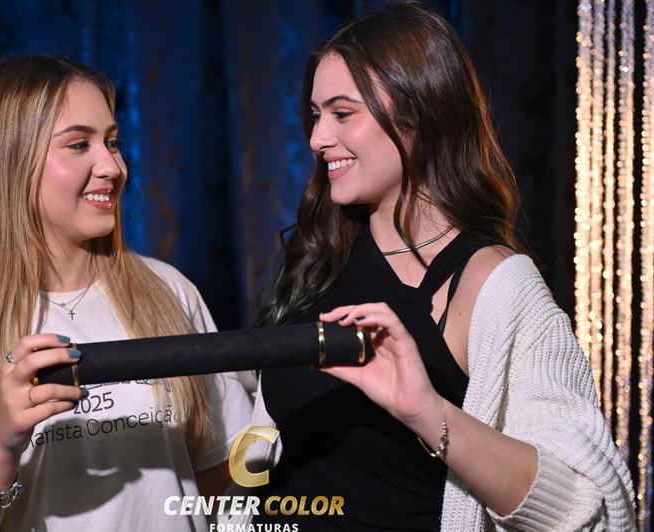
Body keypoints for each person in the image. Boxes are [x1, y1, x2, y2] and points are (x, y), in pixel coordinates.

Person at [224, 2, 636, 531]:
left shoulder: (494, 284)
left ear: (419, 114)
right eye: (315, 114)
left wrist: (427, 412)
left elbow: (593, 508)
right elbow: (263, 455)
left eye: (342, 114)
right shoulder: (316, 258)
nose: (317, 138)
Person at [0, 55, 252, 531]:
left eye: (112, 142)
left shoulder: (168, 290)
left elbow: (223, 477)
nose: (112, 166)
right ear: (9, 160)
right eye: (79, 144)